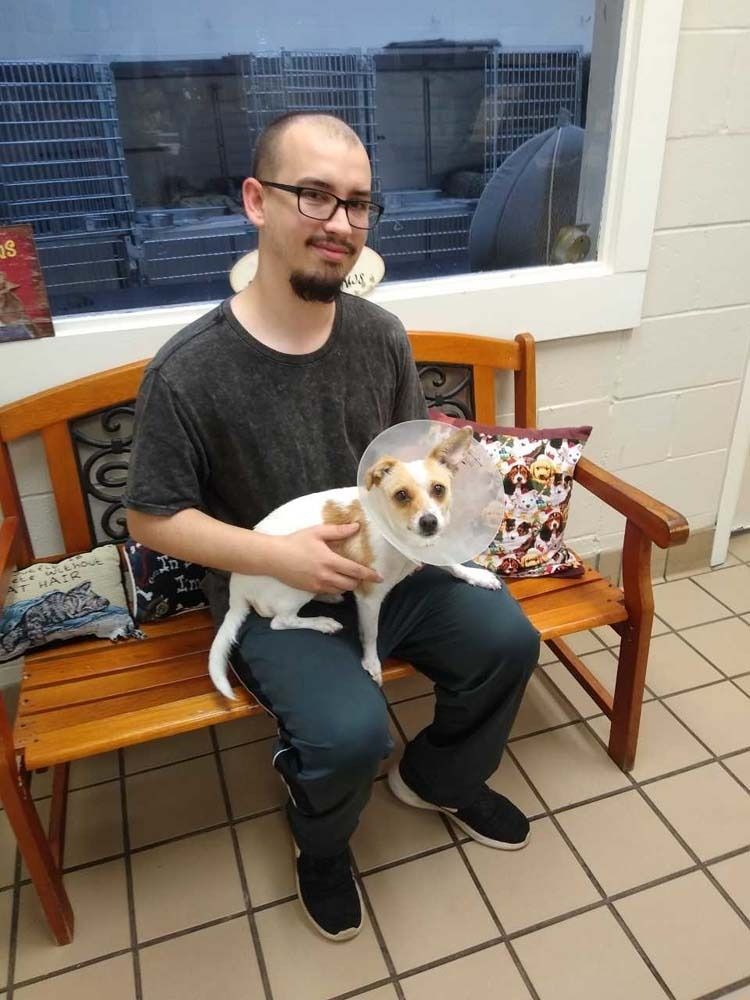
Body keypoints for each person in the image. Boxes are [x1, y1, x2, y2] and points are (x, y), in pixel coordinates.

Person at [124, 111, 540, 942]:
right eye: (315, 196)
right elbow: (151, 517)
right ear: (256, 199)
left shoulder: (381, 337)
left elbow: (409, 456)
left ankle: (439, 778)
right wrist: (279, 554)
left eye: (358, 203)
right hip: (275, 587)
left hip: (387, 568)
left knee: (506, 638)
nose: (340, 224)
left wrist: (455, 478)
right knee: (350, 733)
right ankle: (321, 842)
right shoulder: (189, 370)